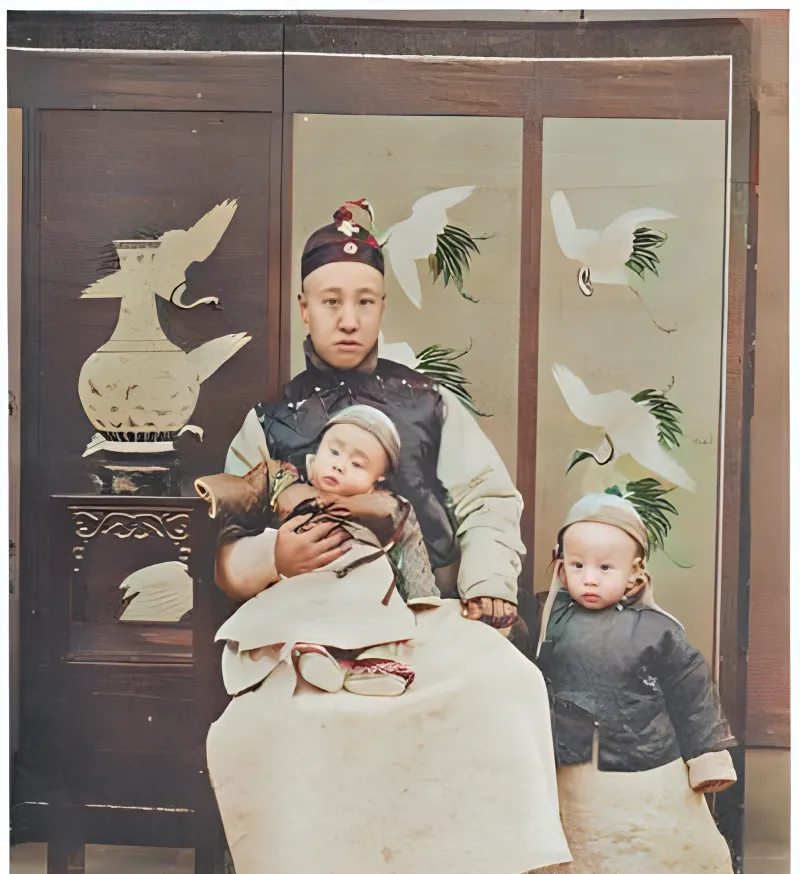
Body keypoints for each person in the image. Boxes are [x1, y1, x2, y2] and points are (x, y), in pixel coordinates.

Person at [199, 200, 571, 874]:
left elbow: (486, 498)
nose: (349, 318)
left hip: (423, 613)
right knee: (273, 728)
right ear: (304, 310)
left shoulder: (429, 403)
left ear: (381, 309)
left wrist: (488, 584)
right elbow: (226, 542)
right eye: (331, 301)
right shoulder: (269, 421)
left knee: (508, 682)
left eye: (365, 301)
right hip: (309, 627)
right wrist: (274, 555)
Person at [535, 493, 736, 874]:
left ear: (635, 572)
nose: (589, 578)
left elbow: (691, 690)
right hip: (568, 766)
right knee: (579, 851)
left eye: (605, 567)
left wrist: (707, 756)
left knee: (652, 850)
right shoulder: (545, 620)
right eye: (577, 565)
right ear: (560, 568)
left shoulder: (657, 629)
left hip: (645, 764)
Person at [199, 404, 441, 698]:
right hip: (299, 577)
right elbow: (246, 489)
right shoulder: (285, 481)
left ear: (377, 478)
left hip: (358, 582)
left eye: (357, 464)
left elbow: (410, 543)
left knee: (378, 617)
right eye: (334, 452)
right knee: (285, 615)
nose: (339, 465)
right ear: (318, 449)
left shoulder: (383, 507)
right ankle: (309, 653)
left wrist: (421, 597)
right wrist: (217, 492)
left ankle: (360, 666)